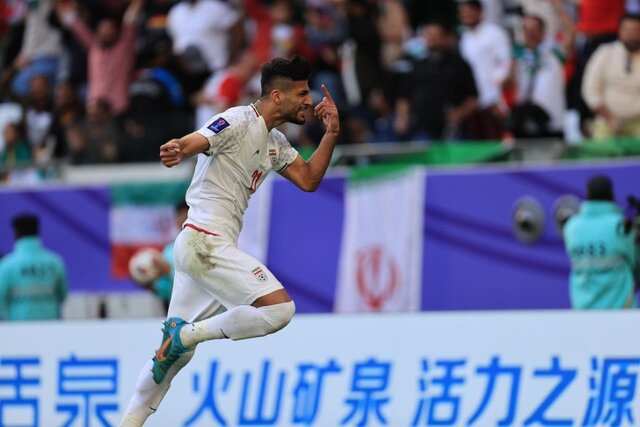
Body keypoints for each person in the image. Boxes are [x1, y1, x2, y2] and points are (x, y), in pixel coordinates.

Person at [119, 55, 339, 426]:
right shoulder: (238, 120)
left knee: (170, 359)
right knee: (280, 311)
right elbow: (201, 139)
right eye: (302, 93)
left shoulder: (276, 142)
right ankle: (188, 335)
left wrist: (331, 134)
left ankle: (130, 420)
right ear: (277, 95)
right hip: (206, 243)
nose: (308, 101)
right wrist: (180, 147)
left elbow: (309, 180)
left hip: (197, 247)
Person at [563, 175, 639, 309]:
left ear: (587, 195)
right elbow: (636, 263)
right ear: (612, 195)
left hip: (583, 310)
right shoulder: (620, 225)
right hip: (621, 310)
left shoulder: (571, 226)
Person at [581, 13, 640, 140]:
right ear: (620, 31)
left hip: (638, 122)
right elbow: (590, 90)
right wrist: (610, 118)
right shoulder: (605, 53)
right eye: (627, 30)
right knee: (600, 148)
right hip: (607, 120)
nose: (632, 35)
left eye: (636, 30)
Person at [0, 213, 68, 320]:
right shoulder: (55, 262)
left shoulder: (7, 265)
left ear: (16, 233)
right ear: (38, 232)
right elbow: (62, 296)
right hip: (51, 326)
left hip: (17, 327)